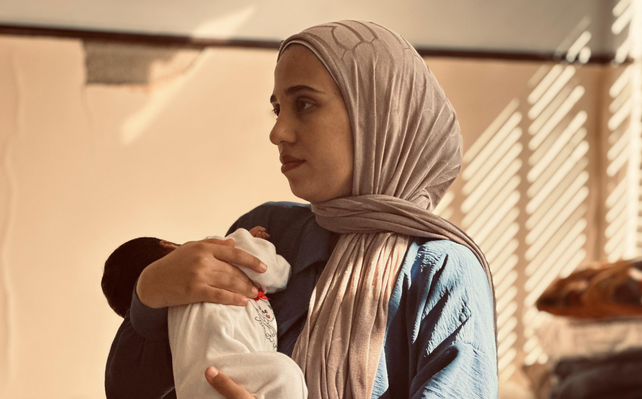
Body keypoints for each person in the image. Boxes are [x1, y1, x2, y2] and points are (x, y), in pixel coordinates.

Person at [105, 20, 498, 399]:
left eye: (305, 104)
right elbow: (132, 387)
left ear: (379, 113)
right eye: (278, 109)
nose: (278, 132)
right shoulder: (269, 230)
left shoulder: (442, 271)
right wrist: (150, 293)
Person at [101, 227, 307, 398]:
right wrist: (251, 243)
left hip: (201, 384)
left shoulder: (168, 326)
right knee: (285, 374)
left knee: (285, 375)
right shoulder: (218, 248)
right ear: (168, 246)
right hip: (224, 373)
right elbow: (273, 271)